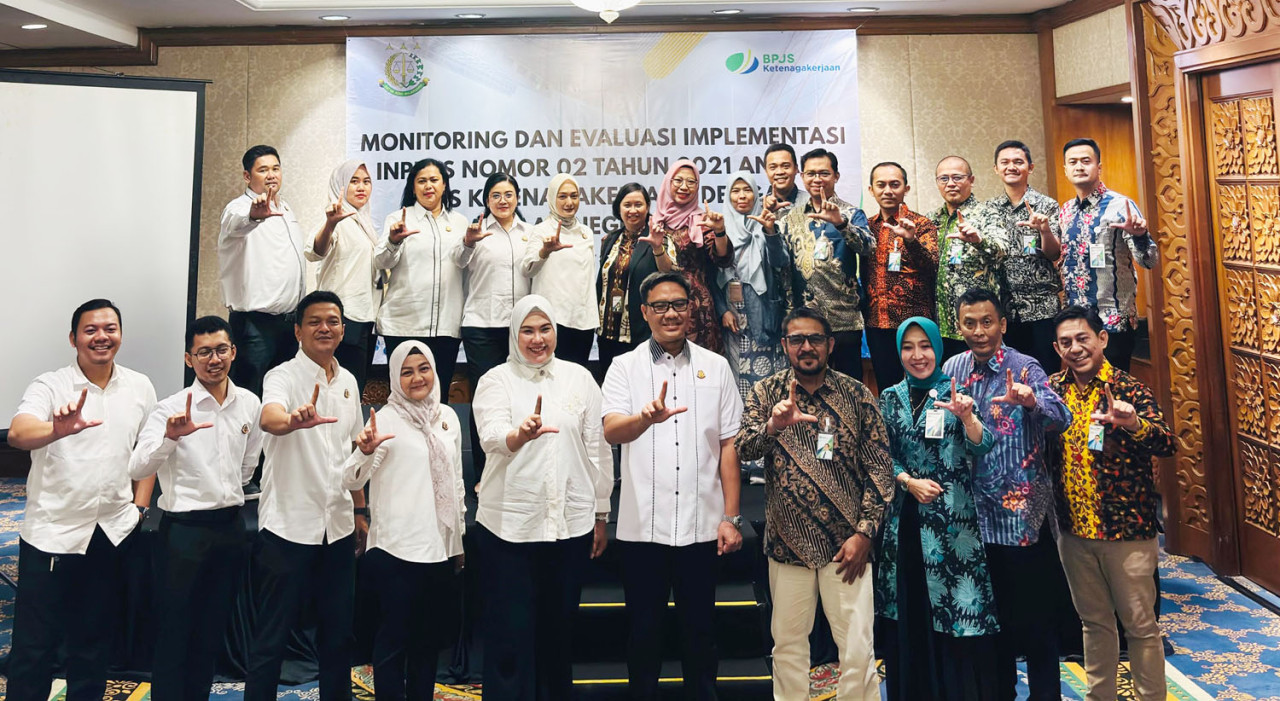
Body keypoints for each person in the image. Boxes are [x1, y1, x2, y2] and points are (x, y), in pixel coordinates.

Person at [735, 307, 894, 701]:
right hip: (788, 545)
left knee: (858, 649)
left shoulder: (856, 394)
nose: (806, 347)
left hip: (847, 547)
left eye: (815, 339)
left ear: (830, 344)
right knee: (788, 647)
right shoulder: (766, 392)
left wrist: (864, 534)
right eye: (797, 340)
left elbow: (880, 470)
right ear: (785, 345)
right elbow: (743, 448)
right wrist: (773, 426)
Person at [602, 271, 745, 700]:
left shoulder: (715, 366)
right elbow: (611, 432)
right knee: (643, 637)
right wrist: (644, 420)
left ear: (692, 311)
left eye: (678, 304)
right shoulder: (623, 367)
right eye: (660, 306)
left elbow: (729, 445)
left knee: (700, 636)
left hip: (702, 528)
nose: (670, 313)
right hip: (643, 529)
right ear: (644, 313)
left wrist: (732, 517)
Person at [6, 299, 156, 701]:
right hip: (53, 533)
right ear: (73, 338)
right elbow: (19, 433)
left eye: (110, 328)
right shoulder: (50, 385)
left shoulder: (140, 386)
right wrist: (56, 431)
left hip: (110, 531)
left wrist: (139, 507)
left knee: (93, 644)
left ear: (120, 335)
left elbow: (148, 452)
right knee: (35, 649)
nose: (101, 336)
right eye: (90, 330)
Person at [472, 295, 613, 700]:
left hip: (569, 528)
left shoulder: (579, 378)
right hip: (508, 532)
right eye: (528, 330)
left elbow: (597, 450)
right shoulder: (495, 380)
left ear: (556, 331)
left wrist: (601, 513)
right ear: (514, 335)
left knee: (558, 637)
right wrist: (519, 435)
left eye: (545, 329)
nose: (538, 339)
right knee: (509, 642)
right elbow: (491, 437)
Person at [941, 288, 1073, 701]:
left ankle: (1045, 696)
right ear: (959, 325)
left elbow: (1061, 420)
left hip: (1020, 520)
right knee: (990, 619)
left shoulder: (1026, 367)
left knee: (1034, 622)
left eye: (987, 322)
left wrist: (1033, 402)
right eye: (969, 323)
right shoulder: (953, 368)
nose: (979, 332)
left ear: (1002, 324)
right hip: (972, 518)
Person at [128, 315, 263, 700]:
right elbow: (138, 467)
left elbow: (248, 465)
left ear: (234, 352)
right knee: (174, 633)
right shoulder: (169, 408)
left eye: (221, 349)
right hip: (183, 533)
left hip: (231, 529)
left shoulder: (249, 404)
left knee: (211, 631)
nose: (213, 359)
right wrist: (169, 439)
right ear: (189, 359)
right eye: (203, 352)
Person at [244, 290, 369, 701]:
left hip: (336, 526)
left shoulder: (349, 382)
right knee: (271, 636)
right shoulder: (281, 376)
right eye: (314, 321)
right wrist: (293, 421)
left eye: (332, 321)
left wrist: (361, 511)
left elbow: (354, 452)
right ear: (298, 331)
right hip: (288, 527)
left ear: (343, 329)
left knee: (338, 636)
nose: (324, 328)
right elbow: (269, 417)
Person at [1047, 306, 1175, 701]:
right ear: (1056, 347)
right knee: (1094, 624)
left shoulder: (1128, 388)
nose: (1075, 348)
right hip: (1074, 532)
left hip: (1126, 531)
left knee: (1139, 626)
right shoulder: (1053, 389)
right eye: (1066, 342)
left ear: (1102, 339)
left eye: (1083, 338)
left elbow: (1167, 443)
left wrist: (1134, 424)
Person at [876, 317, 1000, 701]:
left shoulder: (957, 392)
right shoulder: (890, 397)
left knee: (955, 620)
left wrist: (968, 418)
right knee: (912, 614)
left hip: (953, 525)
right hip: (906, 524)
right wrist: (907, 482)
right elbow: (883, 457)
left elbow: (983, 445)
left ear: (937, 348)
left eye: (925, 346)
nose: (917, 355)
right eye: (908, 347)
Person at [342, 340, 465, 701]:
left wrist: (456, 544)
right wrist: (363, 452)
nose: (416, 378)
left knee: (427, 645)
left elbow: (455, 485)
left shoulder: (447, 417)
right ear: (395, 377)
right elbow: (350, 480)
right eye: (406, 372)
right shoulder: (386, 420)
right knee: (392, 644)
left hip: (437, 551)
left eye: (423, 369)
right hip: (395, 550)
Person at [454, 172, 533, 477]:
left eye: (509, 194)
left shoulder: (529, 232)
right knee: (486, 400)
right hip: (482, 325)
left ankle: (518, 468)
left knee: (519, 398)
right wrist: (468, 244)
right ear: (486, 200)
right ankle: (485, 473)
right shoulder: (475, 231)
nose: (503, 201)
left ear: (517, 198)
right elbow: (458, 261)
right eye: (496, 195)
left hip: (520, 330)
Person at [1058, 138, 1158, 371]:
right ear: (1065, 169)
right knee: (1082, 392)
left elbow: (1149, 261)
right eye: (1072, 162)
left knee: (1113, 392)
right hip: (1076, 324)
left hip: (1112, 323)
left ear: (1099, 167)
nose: (1079, 167)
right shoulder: (1065, 211)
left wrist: (1140, 235)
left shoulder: (1121, 206)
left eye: (1086, 161)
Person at [375, 158, 469, 402]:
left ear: (445, 185)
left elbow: (464, 263)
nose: (429, 186)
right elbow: (381, 262)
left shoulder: (459, 223)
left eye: (434, 180)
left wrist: (469, 243)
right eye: (422, 181)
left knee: (438, 398)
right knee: (403, 399)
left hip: (445, 326)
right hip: (404, 324)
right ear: (413, 187)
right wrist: (394, 240)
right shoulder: (398, 219)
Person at [776, 147, 874, 380]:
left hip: (844, 322)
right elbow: (782, 267)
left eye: (824, 173)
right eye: (810, 174)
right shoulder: (791, 217)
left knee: (847, 391)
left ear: (836, 176)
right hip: (804, 324)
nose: (817, 179)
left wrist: (841, 224)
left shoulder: (851, 212)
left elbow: (869, 248)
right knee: (807, 389)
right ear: (802, 177)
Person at [219, 144, 306, 398]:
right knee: (250, 397)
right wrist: (254, 217)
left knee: (280, 398)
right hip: (254, 327)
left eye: (276, 168)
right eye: (263, 170)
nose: (271, 175)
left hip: (289, 324)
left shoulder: (286, 208)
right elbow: (237, 224)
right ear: (247, 176)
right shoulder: (237, 208)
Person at [984, 140, 1064, 374]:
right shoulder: (990, 209)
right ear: (996, 169)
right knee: (1011, 376)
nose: (1011, 167)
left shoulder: (1046, 205)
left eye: (1018, 162)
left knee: (1045, 374)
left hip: (1042, 307)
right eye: (1005, 162)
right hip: (1005, 310)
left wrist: (1044, 230)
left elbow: (1054, 253)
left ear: (1030, 167)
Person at [710, 170, 790, 396]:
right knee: (735, 377)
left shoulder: (769, 223)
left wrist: (769, 231)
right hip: (732, 315)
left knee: (767, 381)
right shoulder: (718, 227)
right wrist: (722, 310)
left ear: (756, 194)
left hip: (762, 311)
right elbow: (710, 277)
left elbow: (780, 261)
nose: (741, 196)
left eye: (747, 190)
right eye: (735, 191)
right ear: (728, 196)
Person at [864, 163, 941, 393]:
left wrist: (911, 240)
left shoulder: (922, 224)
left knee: (921, 388)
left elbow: (931, 266)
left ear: (905, 188)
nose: (888, 190)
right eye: (881, 185)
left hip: (914, 323)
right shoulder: (866, 226)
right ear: (871, 190)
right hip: (877, 322)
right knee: (887, 390)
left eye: (894, 184)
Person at [307, 159, 381, 394]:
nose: (361, 187)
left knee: (353, 391)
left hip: (364, 318)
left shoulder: (364, 223)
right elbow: (316, 251)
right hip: (341, 317)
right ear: (339, 185)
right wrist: (330, 224)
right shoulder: (335, 219)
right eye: (354, 182)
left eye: (366, 182)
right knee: (338, 391)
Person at [649, 159, 734, 354]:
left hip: (697, 307)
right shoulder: (655, 221)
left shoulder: (702, 220)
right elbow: (662, 268)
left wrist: (720, 232)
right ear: (668, 183)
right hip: (662, 305)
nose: (684, 187)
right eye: (678, 180)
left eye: (691, 182)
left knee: (702, 370)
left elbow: (722, 259)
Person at [929, 156, 1006, 361]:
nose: (951, 183)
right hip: (943, 323)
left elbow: (1002, 251)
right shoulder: (932, 219)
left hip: (979, 323)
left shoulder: (988, 213)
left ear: (971, 180)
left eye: (957, 177)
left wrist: (979, 240)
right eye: (943, 179)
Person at [521, 173, 599, 366]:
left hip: (583, 322)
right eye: (562, 196)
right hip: (554, 321)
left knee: (576, 380)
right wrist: (544, 252)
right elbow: (527, 269)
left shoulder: (586, 233)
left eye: (574, 196)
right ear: (551, 198)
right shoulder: (540, 230)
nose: (569, 202)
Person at [596, 182, 675, 374]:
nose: (633, 210)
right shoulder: (610, 239)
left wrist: (657, 248)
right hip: (608, 332)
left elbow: (670, 273)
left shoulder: (660, 237)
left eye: (638, 204)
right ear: (619, 209)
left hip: (642, 331)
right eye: (627, 205)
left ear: (647, 207)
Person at [761, 142, 810, 214]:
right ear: (766, 171)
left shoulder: (811, 201)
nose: (780, 172)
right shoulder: (757, 206)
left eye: (786, 166)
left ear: (796, 169)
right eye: (773, 167)